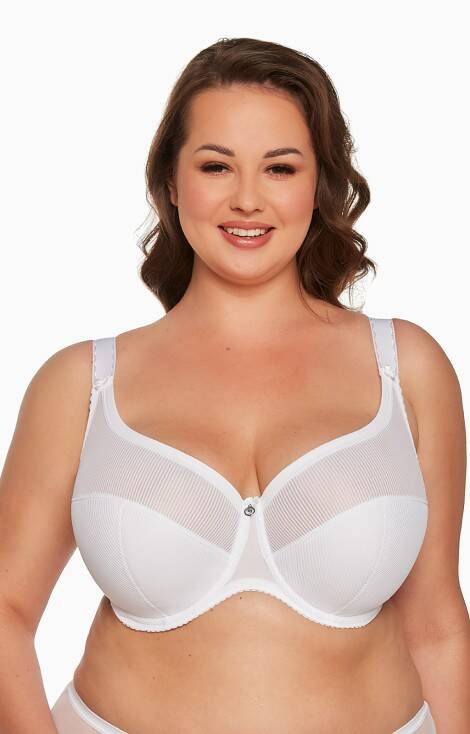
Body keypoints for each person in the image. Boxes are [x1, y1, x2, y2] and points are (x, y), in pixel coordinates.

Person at [0, 37, 468, 734]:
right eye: (216, 166)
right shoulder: (81, 384)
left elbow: (437, 625)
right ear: (170, 183)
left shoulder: (406, 367)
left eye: (280, 167)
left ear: (319, 184)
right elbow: (6, 609)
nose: (247, 199)